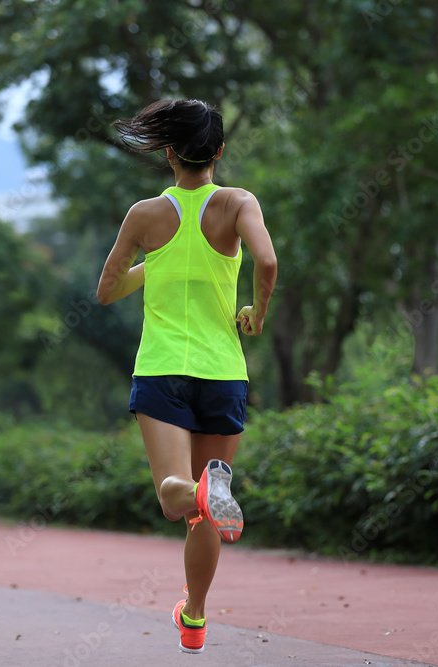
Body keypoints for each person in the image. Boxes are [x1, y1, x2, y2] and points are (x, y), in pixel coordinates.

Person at [96, 99, 278, 654]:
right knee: (205, 513)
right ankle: (194, 615)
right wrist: (257, 314)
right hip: (223, 373)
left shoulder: (144, 215)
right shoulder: (237, 202)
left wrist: (155, 263)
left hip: (162, 371)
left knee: (178, 498)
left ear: (169, 153)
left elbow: (105, 291)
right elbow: (267, 263)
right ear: (218, 152)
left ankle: (200, 491)